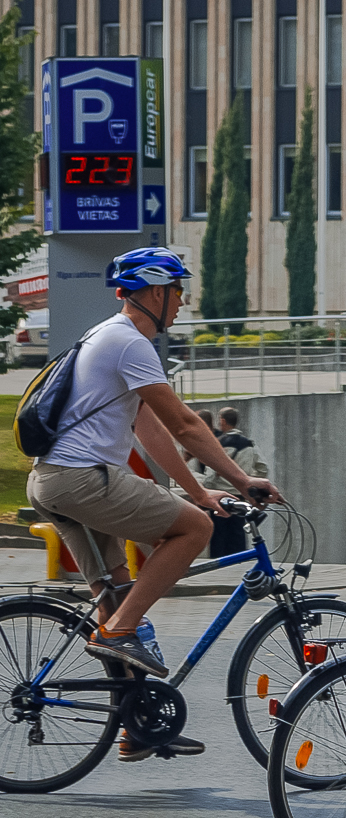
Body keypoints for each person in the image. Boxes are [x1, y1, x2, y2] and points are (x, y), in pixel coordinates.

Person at [26, 247, 283, 763]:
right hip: (83, 480)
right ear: (154, 291)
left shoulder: (107, 336)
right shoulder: (129, 343)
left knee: (119, 592)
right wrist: (238, 479)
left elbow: (151, 428)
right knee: (193, 531)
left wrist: (197, 488)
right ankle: (117, 632)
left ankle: (137, 724)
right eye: (178, 290)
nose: (183, 301)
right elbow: (187, 423)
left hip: (51, 482)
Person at [202, 407, 270, 557]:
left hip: (222, 497)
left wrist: (206, 489)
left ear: (223, 421)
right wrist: (249, 478)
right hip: (240, 495)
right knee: (238, 534)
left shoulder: (220, 442)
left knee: (219, 536)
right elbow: (263, 468)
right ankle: (238, 564)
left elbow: (212, 472)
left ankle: (220, 568)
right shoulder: (249, 443)